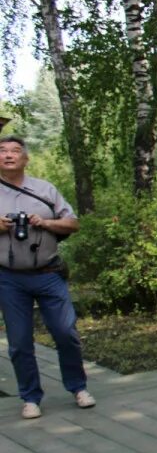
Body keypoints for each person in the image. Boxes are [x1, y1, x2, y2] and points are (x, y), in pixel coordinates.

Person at [0, 135, 94, 420]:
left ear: (26, 158)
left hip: (49, 273)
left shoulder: (44, 189)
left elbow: (73, 223)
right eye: (2, 151)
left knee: (66, 333)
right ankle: (30, 397)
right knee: (18, 342)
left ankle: (78, 387)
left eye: (15, 151)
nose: (8, 155)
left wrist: (46, 222)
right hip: (9, 278)